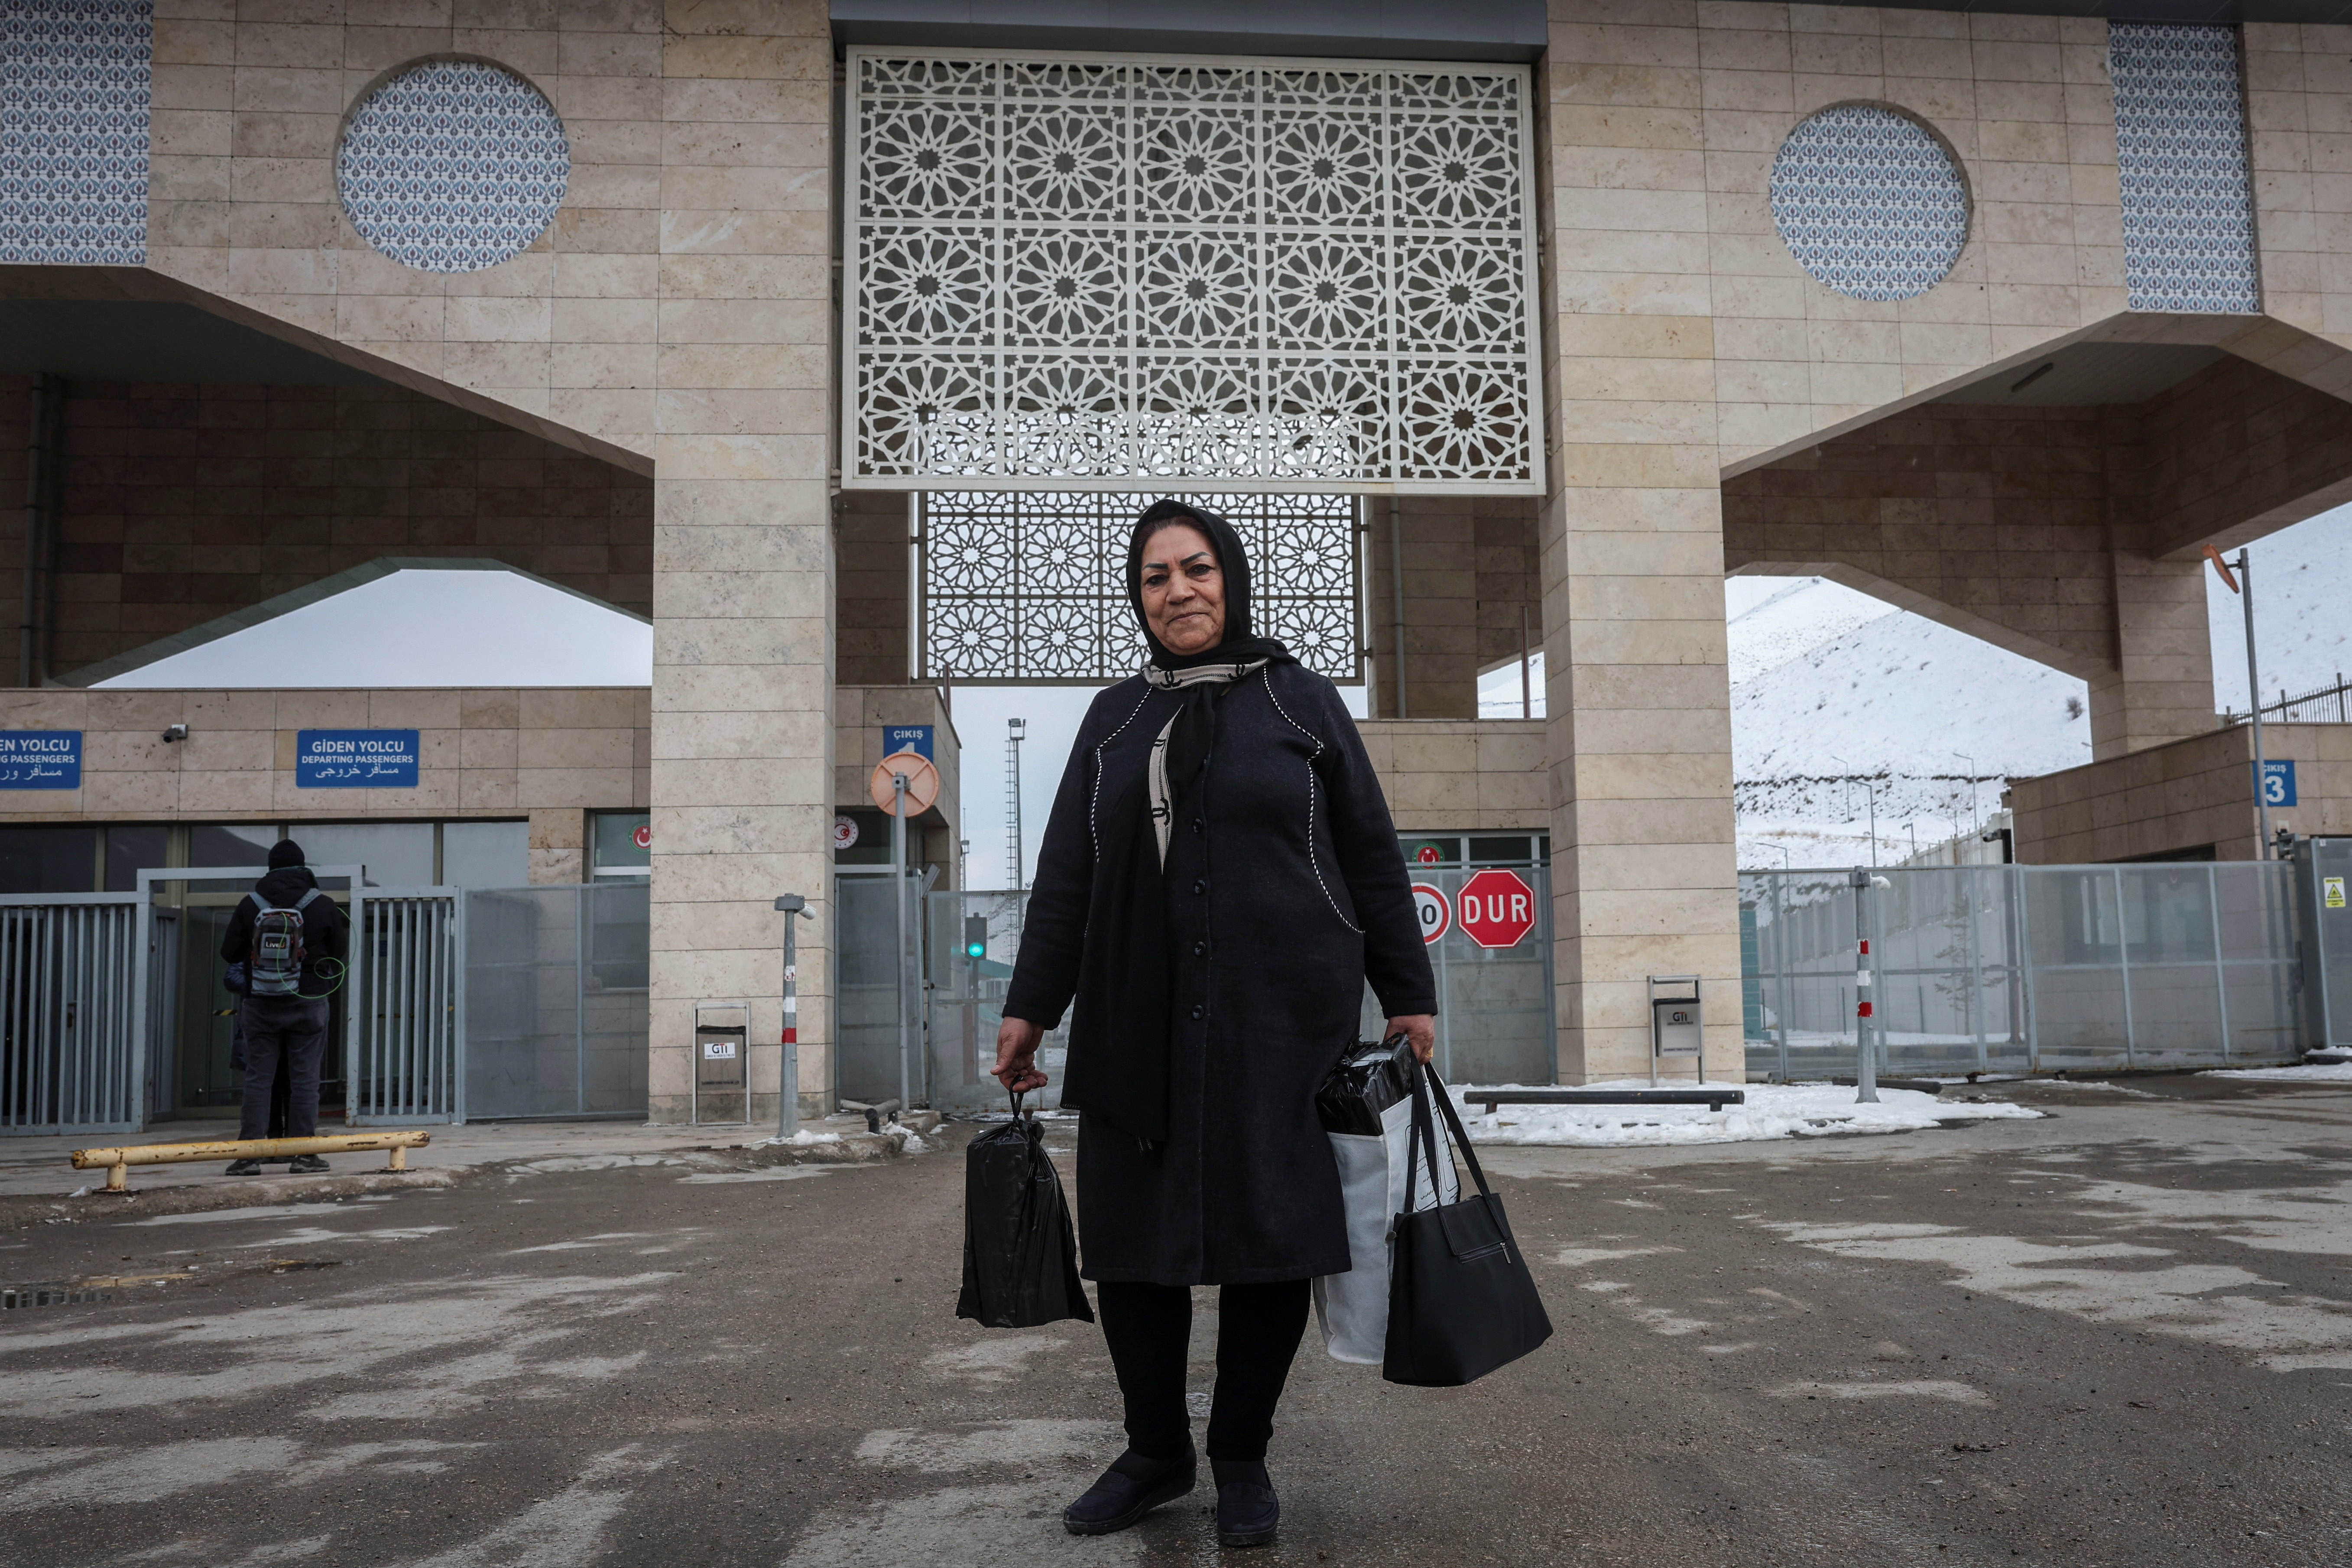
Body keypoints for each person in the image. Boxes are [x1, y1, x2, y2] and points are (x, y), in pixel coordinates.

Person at [995, 499, 1437, 1549]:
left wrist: (1406, 995)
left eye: (1195, 569)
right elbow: (1067, 880)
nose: (1178, 591)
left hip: (1281, 1024)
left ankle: (1241, 1460)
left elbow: (1370, 856)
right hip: (1129, 1023)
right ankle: (1153, 1455)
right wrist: (1028, 1010)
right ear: (1136, 597)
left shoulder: (1300, 704)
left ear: (1229, 578)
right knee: (1136, 1249)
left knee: (1268, 1247)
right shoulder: (1111, 721)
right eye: (1155, 577)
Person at [221, 839, 349, 1176]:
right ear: (303, 867)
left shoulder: (251, 904)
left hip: (260, 1003)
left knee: (258, 1079)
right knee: (306, 1080)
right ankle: (304, 1154)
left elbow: (228, 952)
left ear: (270, 867)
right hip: (308, 1003)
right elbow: (340, 952)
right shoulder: (322, 904)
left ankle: (249, 1155)